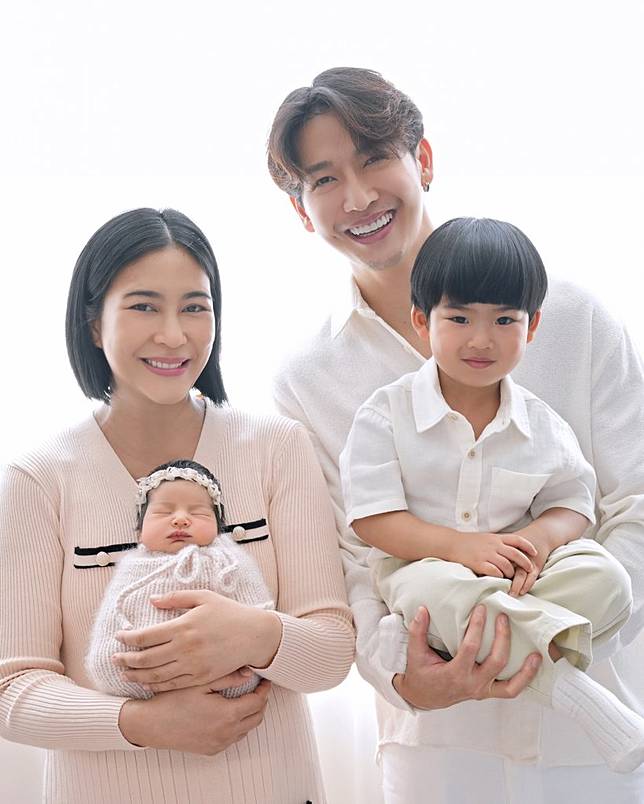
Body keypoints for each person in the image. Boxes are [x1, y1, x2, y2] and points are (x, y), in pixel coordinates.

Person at [268, 67, 644, 802]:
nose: (358, 197)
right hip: (439, 752)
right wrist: (404, 677)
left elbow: (634, 499)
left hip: (596, 741)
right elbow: (351, 558)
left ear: (424, 160)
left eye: (375, 158)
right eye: (324, 179)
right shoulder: (310, 378)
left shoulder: (568, 316)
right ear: (301, 211)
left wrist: (573, 632)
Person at [0, 207, 354, 804]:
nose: (173, 335)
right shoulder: (39, 477)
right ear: (93, 324)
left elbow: (333, 652)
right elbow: (12, 688)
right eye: (144, 306)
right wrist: (140, 724)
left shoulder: (276, 448)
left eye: (195, 307)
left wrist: (251, 634)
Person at [340, 216, 642, 773]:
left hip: (519, 581)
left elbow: (574, 502)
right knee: (434, 592)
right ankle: (569, 688)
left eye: (505, 320)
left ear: (532, 327)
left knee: (607, 578)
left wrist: (537, 540)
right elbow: (371, 519)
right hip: (422, 573)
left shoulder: (542, 423)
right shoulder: (385, 413)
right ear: (422, 321)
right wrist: (459, 548)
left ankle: (507, 640)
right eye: (459, 318)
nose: (482, 339)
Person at [86, 458, 274, 701]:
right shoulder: (131, 568)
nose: (181, 519)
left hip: (226, 679)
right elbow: (109, 626)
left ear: (219, 528)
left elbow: (259, 616)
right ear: (140, 532)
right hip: (140, 688)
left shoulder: (230, 562)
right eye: (164, 512)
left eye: (198, 512)